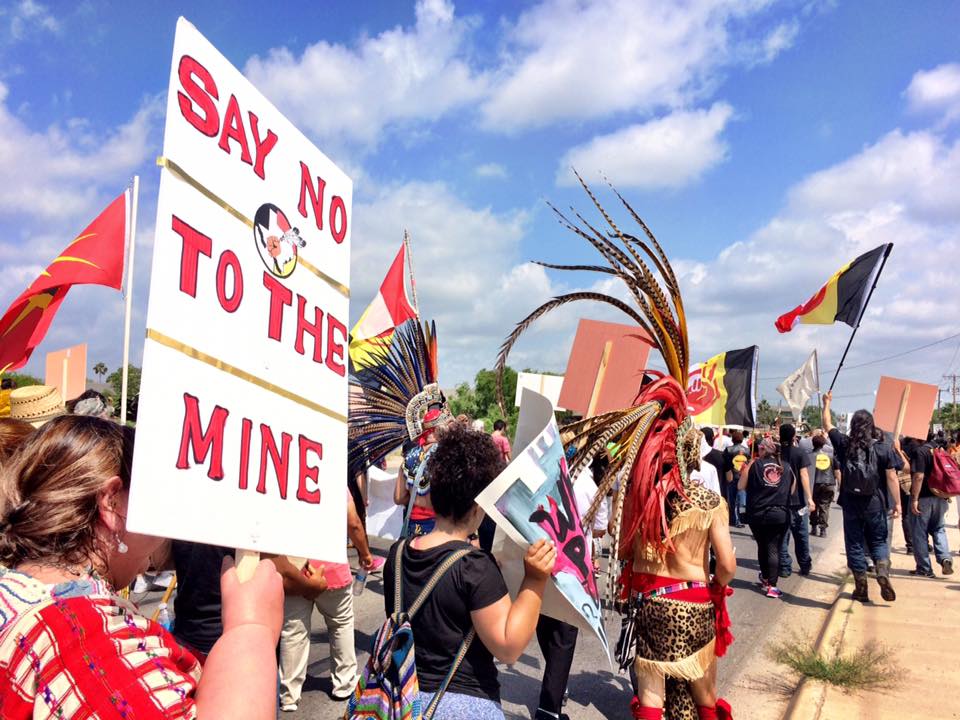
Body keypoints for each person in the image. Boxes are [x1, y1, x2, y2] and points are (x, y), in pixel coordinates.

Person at [0, 414, 283, 718]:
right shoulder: (80, 636)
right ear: (111, 503)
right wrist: (250, 628)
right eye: (153, 500)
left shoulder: (18, 594)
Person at [384, 423, 556, 719]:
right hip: (463, 705)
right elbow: (509, 646)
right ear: (479, 507)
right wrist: (535, 580)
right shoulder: (474, 568)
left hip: (404, 702)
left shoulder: (397, 554)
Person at [277, 493, 377, 710]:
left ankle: (289, 695)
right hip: (331, 567)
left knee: (294, 632)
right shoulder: (332, 476)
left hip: (294, 568)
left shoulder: (286, 474)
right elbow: (353, 522)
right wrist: (365, 552)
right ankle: (343, 685)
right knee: (340, 625)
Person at [533, 451, 610, 720]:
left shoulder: (551, 477)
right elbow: (601, 528)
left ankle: (556, 684)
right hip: (573, 566)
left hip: (544, 558)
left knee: (546, 625)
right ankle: (548, 708)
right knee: (564, 636)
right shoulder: (591, 485)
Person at [823, 392, 901, 603]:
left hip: (851, 503)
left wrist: (827, 403)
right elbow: (892, 476)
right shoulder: (884, 447)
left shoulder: (845, 443)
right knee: (878, 540)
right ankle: (882, 570)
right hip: (875, 503)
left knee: (855, 543)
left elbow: (827, 424)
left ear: (853, 425)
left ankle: (861, 587)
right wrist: (898, 504)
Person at [739, 437, 794, 598]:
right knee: (773, 548)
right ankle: (772, 586)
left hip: (757, 513)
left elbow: (740, 486)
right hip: (779, 513)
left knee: (762, 546)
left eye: (760, 449)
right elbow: (793, 488)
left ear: (764, 450)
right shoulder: (786, 466)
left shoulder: (754, 465)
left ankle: (765, 577)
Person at [908, 431, 953, 577]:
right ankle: (945, 558)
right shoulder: (939, 449)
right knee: (939, 528)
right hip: (941, 497)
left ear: (918, 436)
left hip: (924, 498)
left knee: (919, 533)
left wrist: (914, 499)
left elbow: (919, 476)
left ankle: (924, 568)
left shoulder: (920, 452)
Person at [777, 424, 814, 577]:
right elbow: (804, 476)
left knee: (782, 536)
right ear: (794, 437)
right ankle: (805, 565)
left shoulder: (776, 454)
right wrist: (810, 498)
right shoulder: (800, 453)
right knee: (801, 535)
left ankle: (785, 567)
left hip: (779, 501)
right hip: (798, 502)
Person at [807, 430, 840, 537]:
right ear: (824, 444)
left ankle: (813, 527)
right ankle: (823, 530)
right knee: (824, 506)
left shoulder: (809, 455)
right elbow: (837, 471)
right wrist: (840, 484)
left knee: (813, 506)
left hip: (814, 484)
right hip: (829, 483)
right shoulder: (831, 456)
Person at [722, 431, 750, 527]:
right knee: (737, 499)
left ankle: (734, 519)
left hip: (731, 476)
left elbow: (725, 464)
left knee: (731, 499)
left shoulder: (728, 450)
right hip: (742, 476)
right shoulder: (747, 450)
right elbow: (748, 463)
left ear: (733, 439)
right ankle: (735, 519)